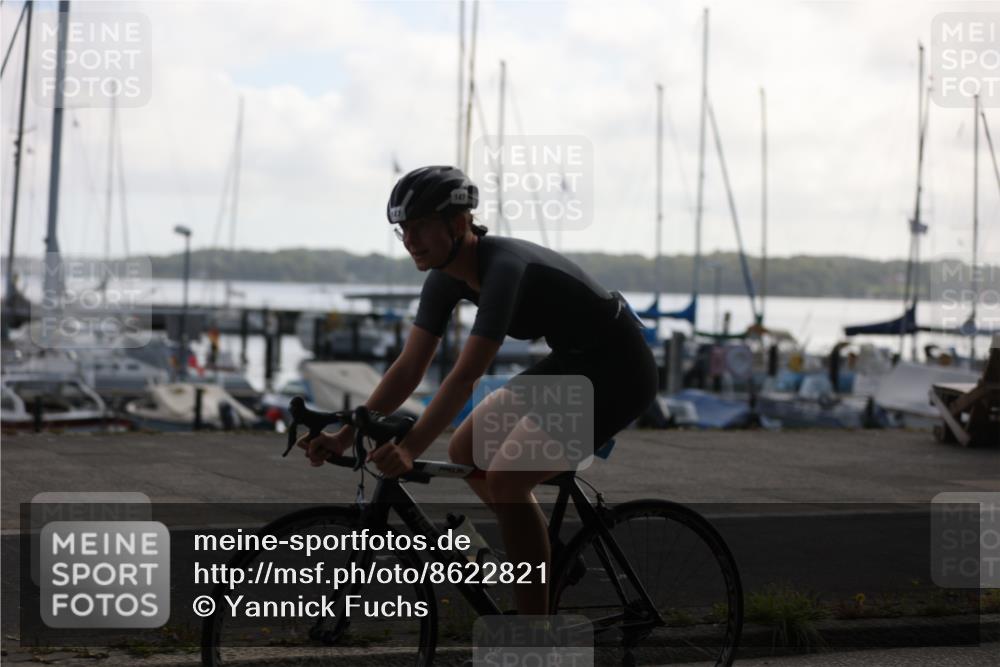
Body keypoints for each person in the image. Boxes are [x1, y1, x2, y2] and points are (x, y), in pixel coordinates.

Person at [298, 165, 657, 615]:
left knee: (507, 475)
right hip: (572, 361)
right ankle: (541, 548)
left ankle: (532, 634)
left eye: (420, 227)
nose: (410, 240)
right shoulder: (444, 279)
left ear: (460, 223)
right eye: (402, 230)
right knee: (465, 451)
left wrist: (409, 448)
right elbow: (409, 368)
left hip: (620, 369)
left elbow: (464, 377)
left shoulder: (504, 269)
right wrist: (344, 435)